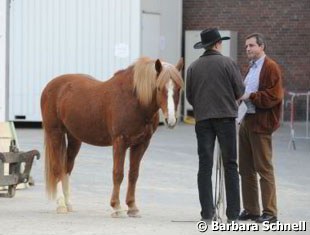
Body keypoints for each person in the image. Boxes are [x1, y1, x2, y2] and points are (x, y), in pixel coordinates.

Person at [186, 28, 245, 222]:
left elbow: (190, 97)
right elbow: (240, 91)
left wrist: (204, 107)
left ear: (204, 46)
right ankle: (233, 214)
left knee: (205, 166)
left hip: (203, 120)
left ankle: (207, 214)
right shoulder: (228, 63)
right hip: (226, 118)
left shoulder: (193, 67)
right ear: (218, 44)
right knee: (230, 165)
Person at [238, 33, 283, 223]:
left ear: (262, 46)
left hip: (261, 123)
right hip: (246, 121)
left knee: (264, 169)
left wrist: (251, 96)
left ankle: (270, 213)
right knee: (246, 169)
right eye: (246, 46)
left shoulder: (270, 67)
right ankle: (251, 210)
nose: (247, 49)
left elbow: (275, 96)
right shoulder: (251, 68)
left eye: (251, 45)